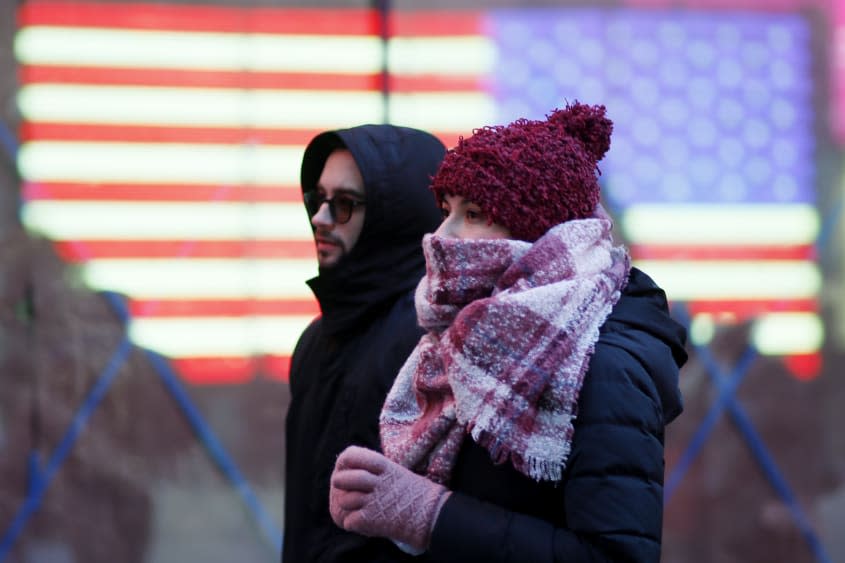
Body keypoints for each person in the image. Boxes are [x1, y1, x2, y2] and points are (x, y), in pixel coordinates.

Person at [327, 103, 688, 562]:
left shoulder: (604, 366)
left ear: (537, 232)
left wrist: (430, 514)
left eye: (473, 214)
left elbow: (615, 555)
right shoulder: (457, 338)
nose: (442, 234)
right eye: (446, 210)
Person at [284, 124, 446, 562]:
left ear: (395, 216)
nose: (320, 218)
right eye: (317, 200)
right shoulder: (317, 339)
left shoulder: (433, 341)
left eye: (344, 205)